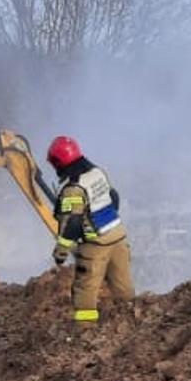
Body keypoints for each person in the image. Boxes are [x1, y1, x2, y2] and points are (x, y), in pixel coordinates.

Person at [47, 136, 132, 325]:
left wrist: (60, 252)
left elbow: (73, 224)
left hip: (96, 245)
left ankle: (85, 333)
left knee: (85, 290)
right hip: (118, 238)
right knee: (123, 288)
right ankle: (130, 327)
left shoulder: (73, 188)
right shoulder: (97, 172)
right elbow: (113, 198)